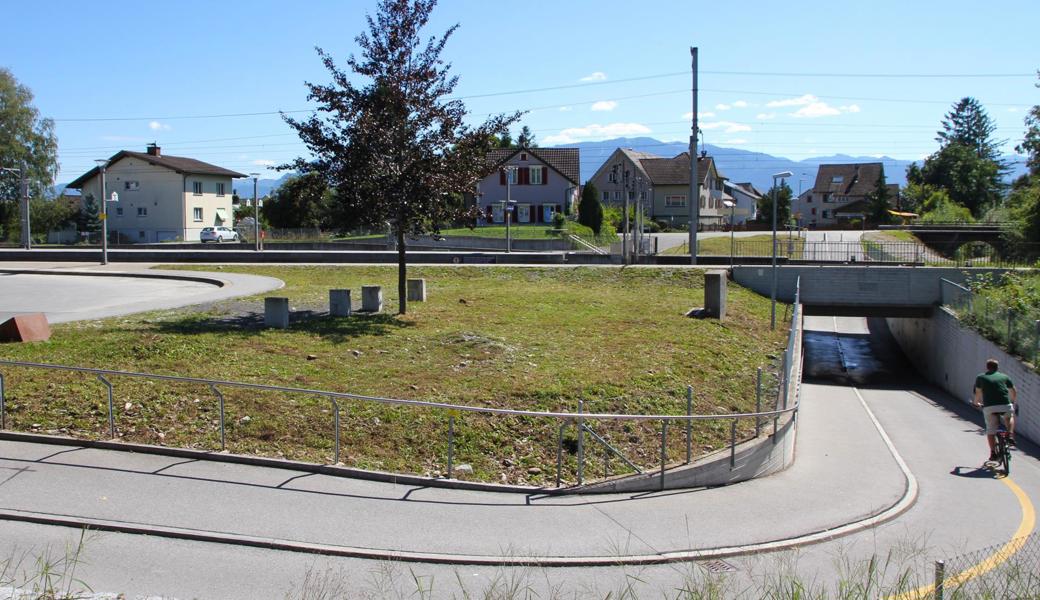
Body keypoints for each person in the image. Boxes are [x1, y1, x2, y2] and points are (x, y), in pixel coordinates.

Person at [973, 358, 1017, 462]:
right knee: (1009, 417)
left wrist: (976, 403)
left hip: (990, 407)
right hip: (1005, 404)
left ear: (987, 367)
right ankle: (1010, 434)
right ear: (997, 367)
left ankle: (993, 453)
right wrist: (1012, 401)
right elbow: (1013, 390)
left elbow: (978, 392)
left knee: (991, 430)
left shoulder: (980, 377)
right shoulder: (1005, 376)